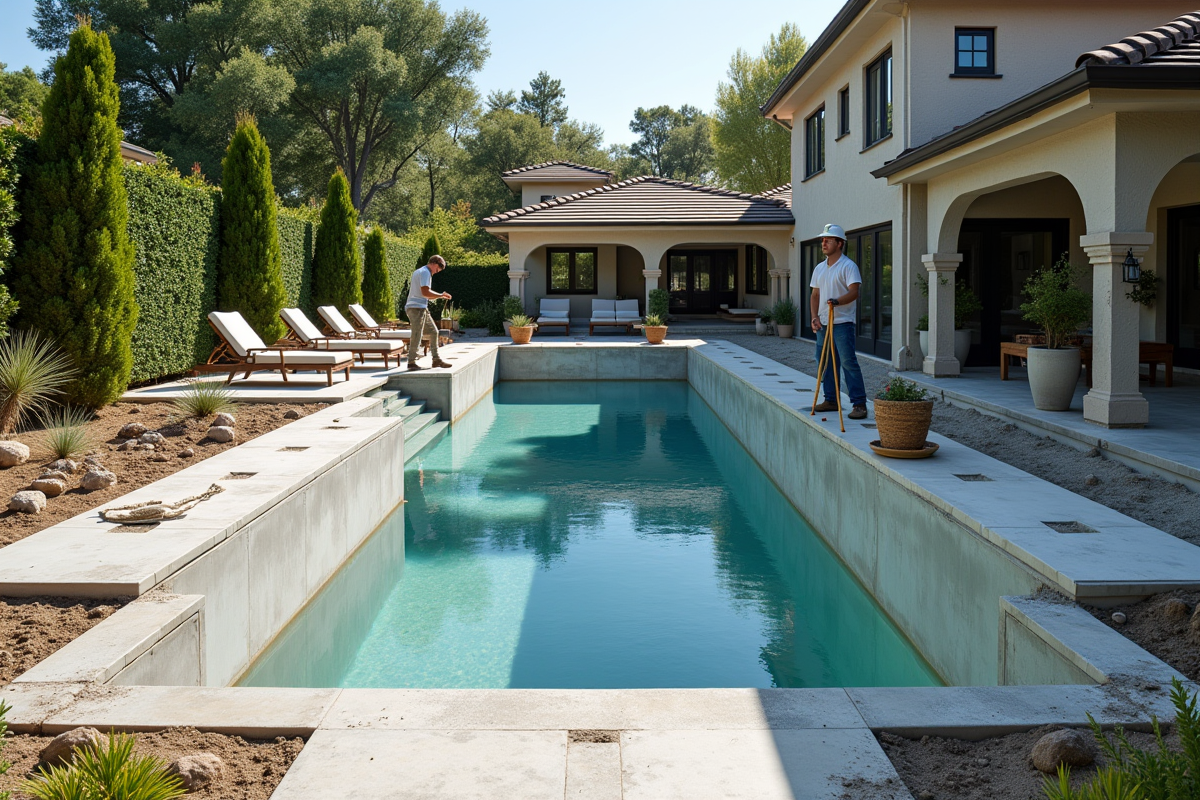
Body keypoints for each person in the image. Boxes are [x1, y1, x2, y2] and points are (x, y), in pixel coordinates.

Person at [809, 223, 868, 420]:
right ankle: (831, 400)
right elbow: (815, 295)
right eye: (823, 240)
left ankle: (859, 404)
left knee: (848, 362)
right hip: (823, 324)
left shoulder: (848, 266)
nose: (824, 243)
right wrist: (814, 317)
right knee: (824, 363)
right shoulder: (819, 268)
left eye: (828, 240)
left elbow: (854, 292)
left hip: (842, 323)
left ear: (840, 243)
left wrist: (837, 301)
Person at [406, 255, 453, 371]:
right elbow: (425, 292)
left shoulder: (421, 271)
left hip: (420, 307)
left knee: (433, 332)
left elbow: (427, 295)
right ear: (434, 263)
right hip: (416, 308)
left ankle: (436, 360)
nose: (437, 272)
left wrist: (440, 296)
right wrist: (441, 295)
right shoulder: (425, 272)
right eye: (437, 269)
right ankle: (411, 362)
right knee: (417, 334)